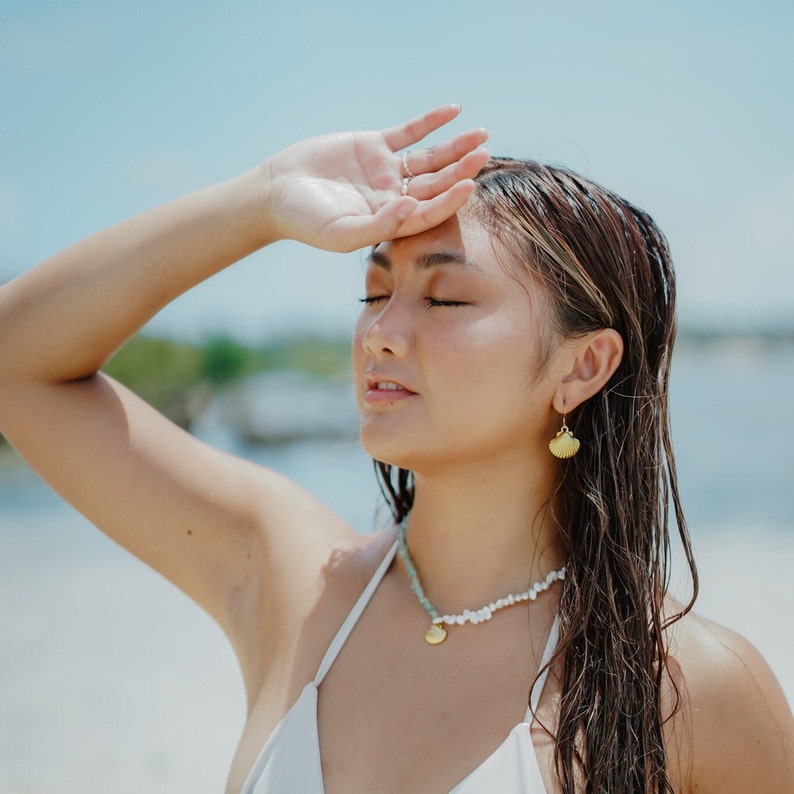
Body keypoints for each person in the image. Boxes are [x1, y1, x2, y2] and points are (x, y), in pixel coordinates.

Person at [0, 105, 791, 793]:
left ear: (581, 366)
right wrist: (262, 198)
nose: (381, 333)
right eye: (373, 293)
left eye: (444, 298)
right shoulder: (293, 583)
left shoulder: (687, 690)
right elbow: (18, 361)